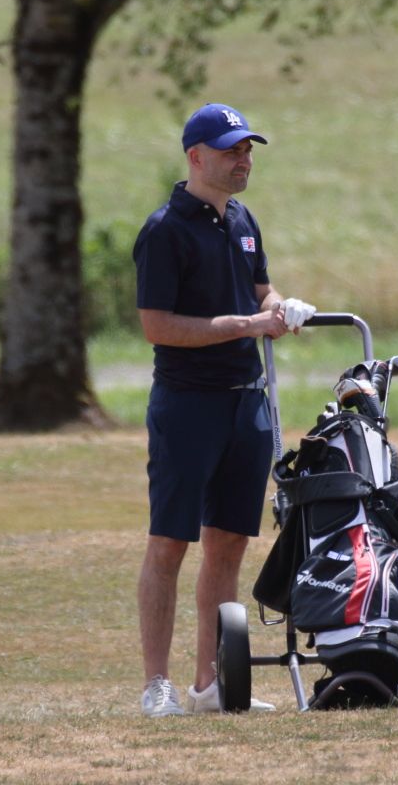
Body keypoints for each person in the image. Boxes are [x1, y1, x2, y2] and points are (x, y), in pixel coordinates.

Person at [133, 103, 315, 717]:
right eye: (231, 150)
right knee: (170, 544)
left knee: (229, 543)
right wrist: (247, 324)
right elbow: (158, 326)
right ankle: (156, 684)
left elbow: (262, 290)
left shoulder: (242, 219)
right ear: (196, 156)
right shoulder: (164, 230)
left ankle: (209, 684)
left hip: (247, 403)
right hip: (188, 406)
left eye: (247, 150)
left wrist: (282, 306)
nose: (243, 160)